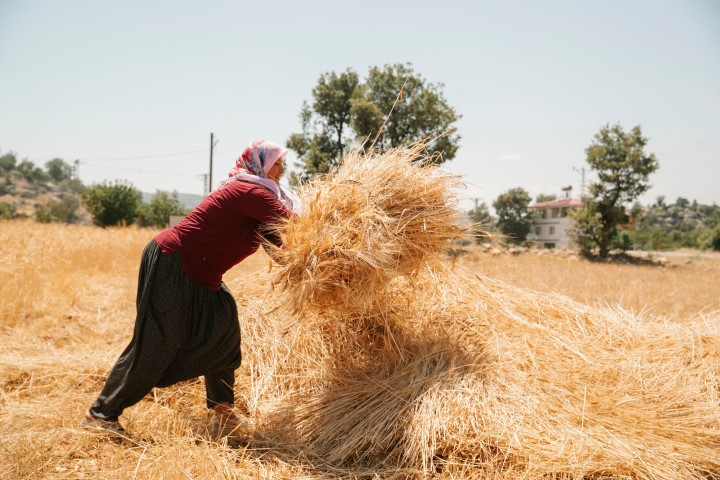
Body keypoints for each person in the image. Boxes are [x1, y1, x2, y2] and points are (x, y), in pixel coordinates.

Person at [82, 140, 295, 434]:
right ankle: (101, 414)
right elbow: (295, 224)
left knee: (223, 328)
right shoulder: (250, 191)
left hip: (202, 272)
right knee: (157, 343)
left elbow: (281, 242)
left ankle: (222, 412)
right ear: (261, 165)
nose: (283, 170)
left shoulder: (261, 198)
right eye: (278, 163)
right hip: (174, 262)